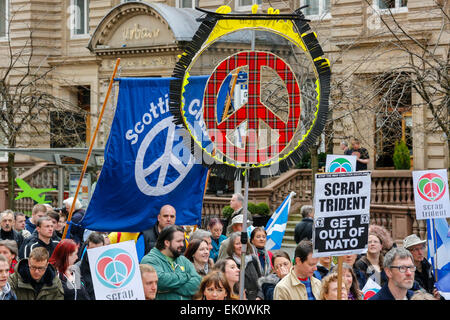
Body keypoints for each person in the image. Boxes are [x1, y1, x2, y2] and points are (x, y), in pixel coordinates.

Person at [140, 225, 201, 300]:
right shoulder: (150, 260)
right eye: (178, 241)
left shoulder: (183, 260)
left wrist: (169, 289)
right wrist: (186, 276)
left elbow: (197, 283)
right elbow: (161, 281)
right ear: (167, 243)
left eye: (183, 240)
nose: (182, 244)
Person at [403, 234, 441, 299]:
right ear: (408, 252)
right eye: (416, 249)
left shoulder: (427, 266)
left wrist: (436, 295)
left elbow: (433, 287)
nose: (420, 252)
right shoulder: (405, 271)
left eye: (422, 248)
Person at [226, 231, 262, 300]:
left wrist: (259, 296)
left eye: (243, 243)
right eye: (237, 244)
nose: (241, 246)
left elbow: (261, 280)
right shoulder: (229, 262)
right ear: (232, 246)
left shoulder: (253, 259)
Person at [76, 231, 106, 300]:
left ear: (104, 247)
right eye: (93, 248)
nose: (96, 252)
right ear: (87, 248)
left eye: (98, 249)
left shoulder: (110, 264)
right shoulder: (78, 267)